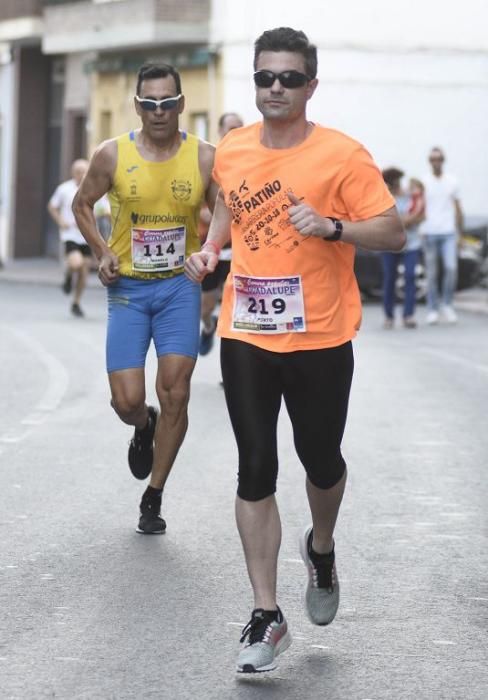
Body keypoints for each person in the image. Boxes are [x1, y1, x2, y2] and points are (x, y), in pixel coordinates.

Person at [185, 27, 405, 674]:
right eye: (263, 77)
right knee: (255, 465)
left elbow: (391, 231)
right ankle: (265, 612)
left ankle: (322, 543)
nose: (274, 88)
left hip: (321, 335)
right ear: (254, 82)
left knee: (321, 459)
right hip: (247, 330)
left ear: (311, 85)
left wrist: (333, 225)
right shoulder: (233, 148)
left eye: (287, 78)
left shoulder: (342, 155)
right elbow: (229, 206)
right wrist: (212, 249)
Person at [72, 63, 218, 534]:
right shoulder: (111, 155)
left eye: (167, 102)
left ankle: (153, 495)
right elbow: (81, 204)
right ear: (138, 106)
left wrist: (211, 250)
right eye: (149, 103)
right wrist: (100, 252)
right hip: (129, 291)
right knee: (127, 400)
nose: (159, 111)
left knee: (176, 389)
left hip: (180, 287)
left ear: (180, 104)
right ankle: (142, 424)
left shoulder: (204, 157)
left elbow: (228, 209)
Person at [199, 112, 244, 355]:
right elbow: (192, 196)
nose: (235, 132)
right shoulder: (209, 160)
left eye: (239, 127)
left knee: (238, 308)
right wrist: (205, 215)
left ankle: (234, 370)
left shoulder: (250, 159)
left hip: (240, 250)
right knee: (205, 306)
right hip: (211, 246)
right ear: (219, 131)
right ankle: (207, 326)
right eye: (230, 128)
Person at [420, 147, 464, 325]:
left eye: (438, 159)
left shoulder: (452, 181)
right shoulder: (424, 182)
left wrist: (460, 233)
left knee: (451, 268)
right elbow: (419, 207)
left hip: (448, 232)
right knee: (431, 273)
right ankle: (433, 308)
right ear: (429, 161)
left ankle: (447, 304)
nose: (436, 162)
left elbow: (458, 209)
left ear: (443, 160)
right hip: (429, 232)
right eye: (433, 159)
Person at [381, 168, 425, 329]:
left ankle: (408, 315)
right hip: (389, 244)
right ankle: (389, 316)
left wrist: (407, 221)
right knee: (389, 279)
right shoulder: (384, 197)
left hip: (411, 243)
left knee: (410, 276)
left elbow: (421, 215)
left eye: (395, 181)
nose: (394, 185)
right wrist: (404, 222)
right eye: (390, 181)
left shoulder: (410, 195)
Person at [47, 159, 91, 317]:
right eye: (78, 171)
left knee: (84, 272)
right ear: (73, 173)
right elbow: (52, 206)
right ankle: (68, 275)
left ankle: (76, 303)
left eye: (84, 171)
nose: (81, 174)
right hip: (70, 234)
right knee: (76, 263)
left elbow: (102, 208)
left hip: (88, 235)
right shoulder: (64, 189)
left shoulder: (94, 189)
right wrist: (61, 221)